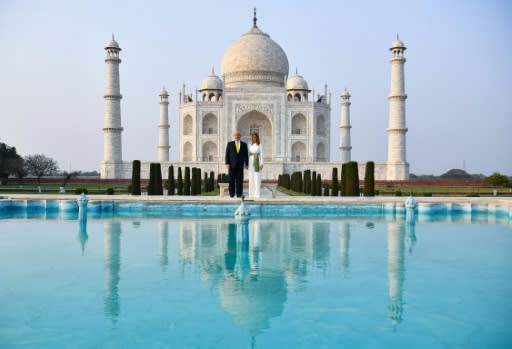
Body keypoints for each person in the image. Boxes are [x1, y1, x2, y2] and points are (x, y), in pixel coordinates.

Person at [225, 131, 249, 198]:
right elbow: (227, 154)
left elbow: (246, 155)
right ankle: (231, 194)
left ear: (240, 136)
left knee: (240, 181)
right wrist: (227, 163)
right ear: (234, 136)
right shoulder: (230, 144)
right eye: (235, 135)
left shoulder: (244, 144)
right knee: (231, 180)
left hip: (240, 165)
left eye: (238, 135)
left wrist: (247, 164)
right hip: (232, 165)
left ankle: (239, 194)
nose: (237, 136)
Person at [248, 133, 264, 198]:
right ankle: (251, 193)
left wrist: (261, 163)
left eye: (255, 137)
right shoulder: (250, 145)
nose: (254, 138)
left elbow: (262, 154)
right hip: (251, 161)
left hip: (257, 161)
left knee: (257, 177)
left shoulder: (260, 145)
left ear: (257, 138)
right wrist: (246, 164)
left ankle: (257, 194)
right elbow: (248, 154)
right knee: (251, 177)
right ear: (252, 138)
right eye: (253, 137)